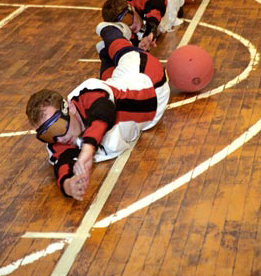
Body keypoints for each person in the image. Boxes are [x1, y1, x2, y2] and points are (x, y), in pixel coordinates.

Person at [26, 22, 170, 201]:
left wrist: (87, 149)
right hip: (119, 87)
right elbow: (62, 163)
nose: (59, 138)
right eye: (47, 134)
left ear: (69, 108)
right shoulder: (60, 138)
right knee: (110, 78)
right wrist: (68, 186)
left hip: (147, 78)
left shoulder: (88, 92)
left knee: (125, 53)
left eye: (57, 127)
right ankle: (104, 53)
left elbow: (105, 110)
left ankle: (108, 30)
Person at [101, 0, 207, 51]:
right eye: (123, 24)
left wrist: (149, 32)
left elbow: (158, 3)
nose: (130, 26)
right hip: (156, 3)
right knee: (164, 26)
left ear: (131, 9)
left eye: (127, 20)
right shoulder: (129, 26)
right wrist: (140, 45)